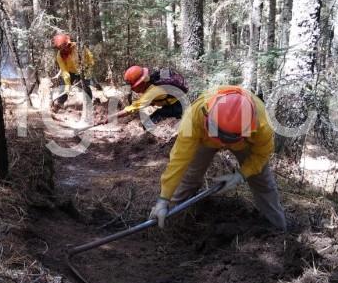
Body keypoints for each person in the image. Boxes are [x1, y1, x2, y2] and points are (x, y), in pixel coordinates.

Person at [148, 85, 287, 232]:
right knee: (189, 176)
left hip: (244, 143)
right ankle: (166, 217)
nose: (222, 144)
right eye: (219, 135)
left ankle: (278, 230)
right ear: (207, 115)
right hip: (204, 137)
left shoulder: (262, 125)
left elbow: (261, 155)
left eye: (227, 139)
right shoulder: (195, 115)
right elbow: (179, 159)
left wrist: (241, 175)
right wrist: (163, 199)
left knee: (263, 183)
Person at [117, 66, 187, 124]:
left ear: (141, 83)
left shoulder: (152, 91)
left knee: (148, 124)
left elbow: (131, 109)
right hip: (177, 103)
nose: (133, 89)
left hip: (178, 106)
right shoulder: (152, 81)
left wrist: (111, 117)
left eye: (134, 87)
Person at [52, 33, 94, 109]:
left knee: (85, 86)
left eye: (64, 46)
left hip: (83, 70)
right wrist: (67, 87)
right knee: (63, 87)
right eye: (60, 47)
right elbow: (64, 72)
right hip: (71, 71)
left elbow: (90, 58)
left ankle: (89, 104)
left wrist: (88, 70)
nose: (63, 49)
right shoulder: (59, 56)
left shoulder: (78, 47)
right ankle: (59, 104)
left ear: (67, 43)